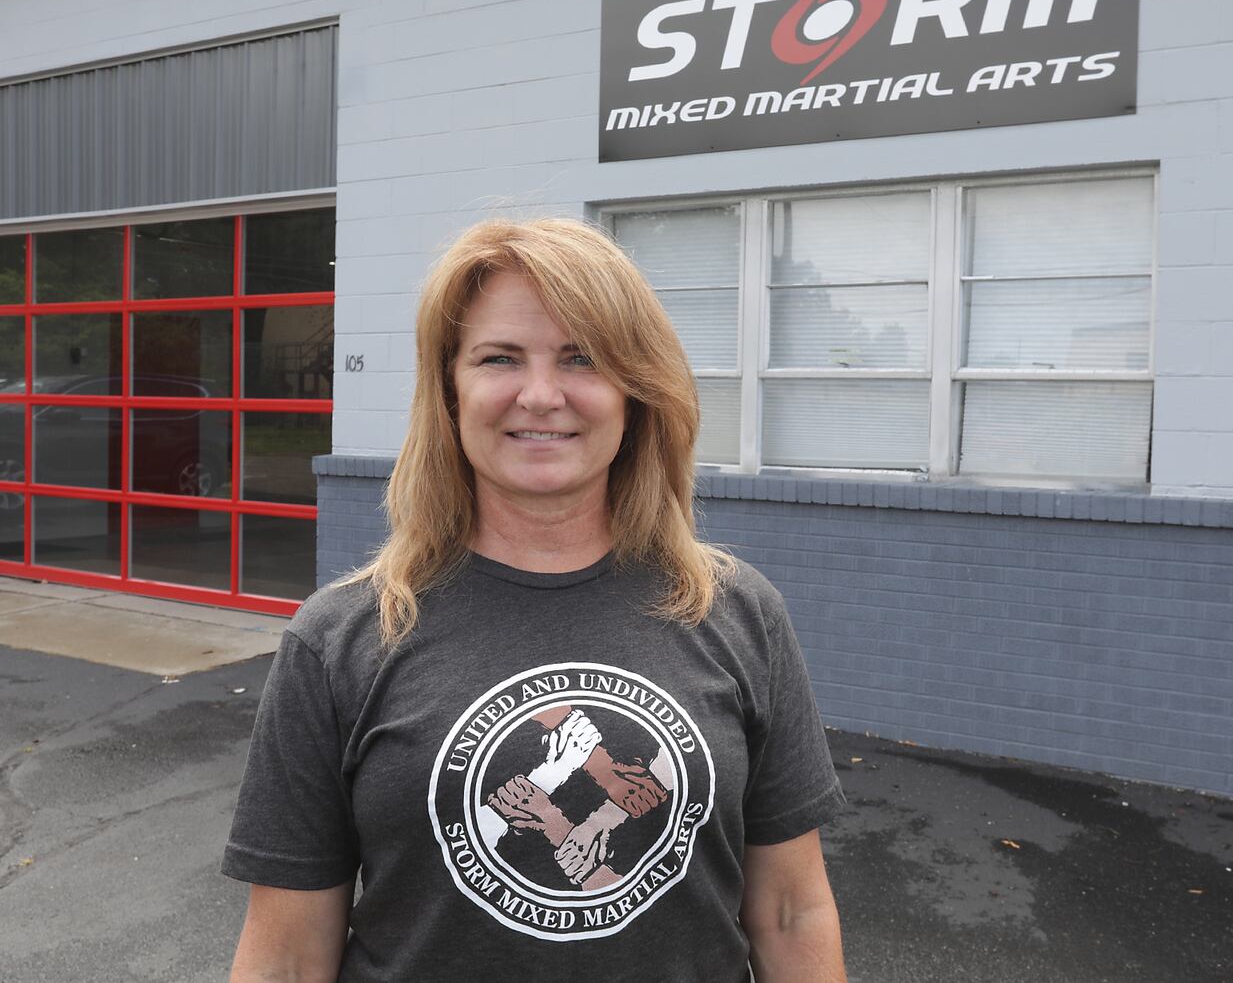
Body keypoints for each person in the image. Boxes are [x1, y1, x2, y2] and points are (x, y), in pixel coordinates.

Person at [222, 217, 848, 982]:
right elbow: (286, 956)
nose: (542, 395)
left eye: (582, 358)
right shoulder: (343, 638)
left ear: (635, 392)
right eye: (499, 358)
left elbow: (791, 910)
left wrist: (570, 806)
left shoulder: (736, 611)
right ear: (450, 393)